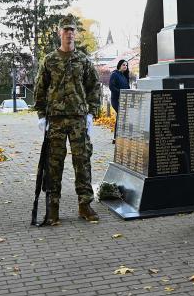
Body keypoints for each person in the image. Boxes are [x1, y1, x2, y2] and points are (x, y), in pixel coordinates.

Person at [34, 15, 102, 224]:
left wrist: (91, 114)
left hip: (78, 120)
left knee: (82, 162)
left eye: (72, 30)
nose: (69, 33)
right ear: (59, 34)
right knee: (53, 165)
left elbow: (94, 87)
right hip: (55, 120)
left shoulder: (83, 60)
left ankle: (85, 204)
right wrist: (41, 115)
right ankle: (53, 208)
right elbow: (40, 89)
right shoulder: (49, 60)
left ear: (75, 33)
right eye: (65, 30)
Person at [109, 59, 130, 142]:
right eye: (123, 65)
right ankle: (116, 137)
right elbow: (111, 87)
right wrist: (121, 93)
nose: (125, 66)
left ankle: (120, 137)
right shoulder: (114, 74)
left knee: (122, 117)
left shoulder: (124, 76)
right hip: (116, 100)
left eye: (126, 65)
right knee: (121, 115)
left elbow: (127, 87)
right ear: (119, 65)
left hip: (124, 100)